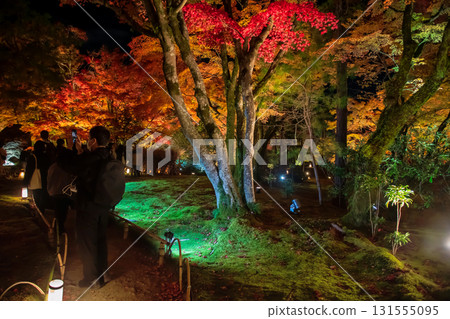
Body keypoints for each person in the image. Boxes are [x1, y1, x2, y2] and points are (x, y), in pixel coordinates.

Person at [59, 126, 113, 287]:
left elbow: (68, 165)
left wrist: (71, 150)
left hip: (88, 207)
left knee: (87, 243)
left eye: (89, 139)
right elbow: (88, 168)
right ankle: (104, 274)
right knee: (101, 241)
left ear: (93, 141)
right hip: (103, 207)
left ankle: (92, 279)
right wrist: (82, 153)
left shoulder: (90, 159)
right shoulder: (107, 156)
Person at [24, 141, 51, 213]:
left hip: (36, 178)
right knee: (43, 194)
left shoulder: (32, 156)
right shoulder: (46, 156)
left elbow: (29, 170)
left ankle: (39, 211)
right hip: (45, 177)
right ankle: (42, 210)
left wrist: (26, 181)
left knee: (36, 194)